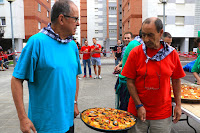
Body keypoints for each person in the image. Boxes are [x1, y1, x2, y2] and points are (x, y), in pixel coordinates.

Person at [11, 0, 82, 133]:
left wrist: (74, 102)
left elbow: (74, 76)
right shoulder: (36, 42)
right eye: (75, 19)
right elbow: (16, 80)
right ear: (61, 19)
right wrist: (22, 118)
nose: (78, 23)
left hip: (68, 122)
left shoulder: (72, 45)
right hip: (45, 126)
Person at [121, 17, 185, 133]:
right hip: (137, 111)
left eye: (150, 35)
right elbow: (129, 81)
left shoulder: (171, 54)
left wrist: (178, 105)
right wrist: (139, 105)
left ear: (160, 32)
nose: (146, 39)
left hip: (162, 114)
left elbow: (176, 80)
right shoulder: (136, 53)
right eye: (144, 35)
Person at [115, 30, 143, 112]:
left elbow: (125, 59)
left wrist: (121, 66)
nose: (126, 39)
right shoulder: (136, 45)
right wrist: (121, 67)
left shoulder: (132, 44)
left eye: (128, 38)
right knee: (125, 110)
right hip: (126, 81)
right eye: (125, 38)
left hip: (125, 79)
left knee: (124, 108)